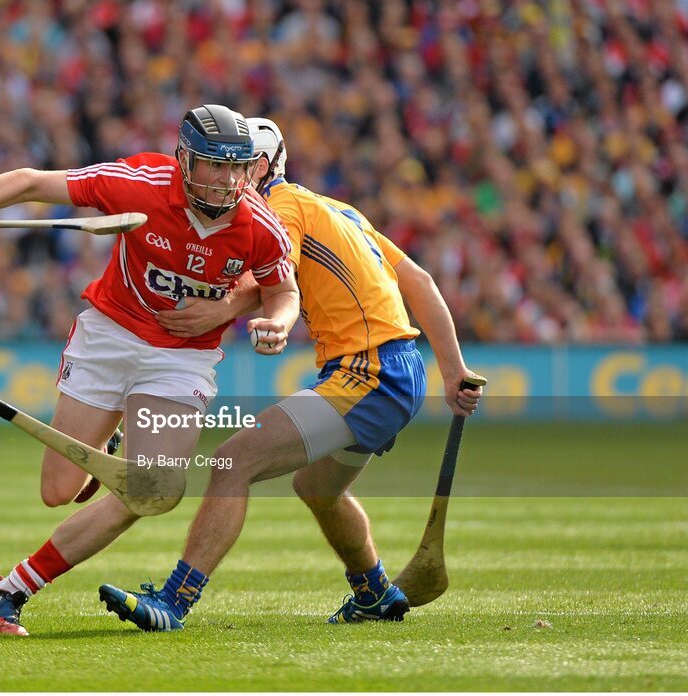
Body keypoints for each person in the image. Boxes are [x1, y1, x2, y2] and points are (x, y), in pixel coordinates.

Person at [0, 104, 299, 636]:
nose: (225, 180)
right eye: (213, 166)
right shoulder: (138, 182)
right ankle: (117, 431)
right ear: (184, 160)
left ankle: (12, 589)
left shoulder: (260, 224)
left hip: (181, 360)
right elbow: (29, 181)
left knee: (151, 487)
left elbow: (283, 290)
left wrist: (278, 323)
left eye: (236, 168)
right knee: (58, 491)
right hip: (109, 337)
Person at [98, 117, 484, 631]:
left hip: (368, 371)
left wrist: (218, 309)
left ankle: (174, 601)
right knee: (318, 488)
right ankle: (374, 592)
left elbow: (264, 281)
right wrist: (452, 369)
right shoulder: (336, 208)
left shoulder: (277, 209)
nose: (222, 176)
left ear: (261, 167)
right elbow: (418, 280)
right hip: (396, 370)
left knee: (233, 461)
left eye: (235, 165)